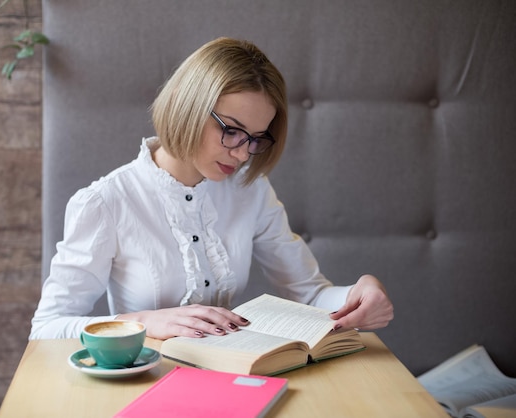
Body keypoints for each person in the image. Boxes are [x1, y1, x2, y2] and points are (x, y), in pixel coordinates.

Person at [30, 37, 393, 340]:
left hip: (230, 376)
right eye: (231, 130)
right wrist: (142, 323)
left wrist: (359, 292)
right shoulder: (106, 202)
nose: (241, 153)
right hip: (144, 382)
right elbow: (47, 327)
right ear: (189, 106)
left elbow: (310, 293)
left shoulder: (251, 191)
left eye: (255, 139)